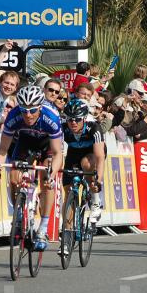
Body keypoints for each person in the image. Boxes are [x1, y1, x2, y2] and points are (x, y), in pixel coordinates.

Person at [0, 85, 63, 251]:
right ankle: (18, 218)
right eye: (24, 110)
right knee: (14, 175)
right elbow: (2, 150)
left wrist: (51, 175)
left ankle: (43, 228)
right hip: (25, 140)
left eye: (32, 110)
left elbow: (58, 153)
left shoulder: (50, 117)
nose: (28, 115)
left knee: (46, 178)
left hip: (47, 144)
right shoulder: (14, 116)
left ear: (40, 107)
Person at [60, 99, 105, 254]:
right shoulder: (63, 127)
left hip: (92, 152)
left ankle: (96, 202)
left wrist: (97, 181)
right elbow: (55, 150)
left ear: (84, 118)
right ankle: (66, 238)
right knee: (68, 195)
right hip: (73, 152)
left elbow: (100, 157)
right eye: (70, 119)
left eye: (77, 119)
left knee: (87, 164)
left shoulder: (94, 128)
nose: (73, 122)